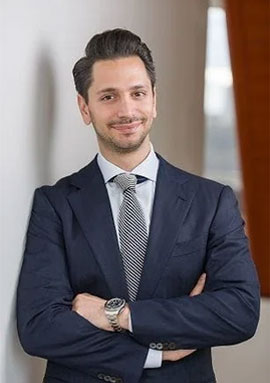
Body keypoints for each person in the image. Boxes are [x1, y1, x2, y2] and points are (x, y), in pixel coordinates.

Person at [16, 29, 260, 383]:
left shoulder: (212, 201)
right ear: (85, 108)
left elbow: (240, 312)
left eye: (137, 93)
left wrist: (118, 314)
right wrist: (153, 353)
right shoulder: (54, 204)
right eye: (109, 96)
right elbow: (39, 326)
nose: (127, 110)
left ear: (154, 100)